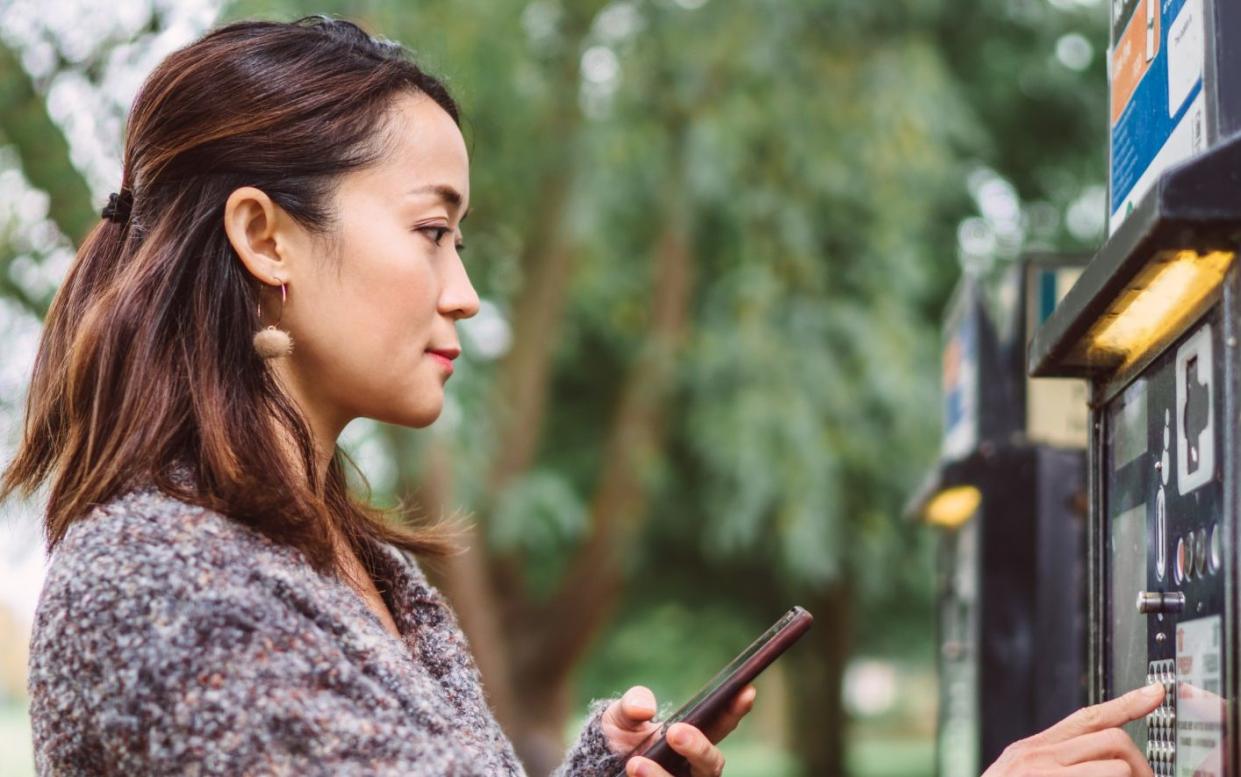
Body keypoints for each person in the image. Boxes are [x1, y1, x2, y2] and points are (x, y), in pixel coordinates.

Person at [0, 14, 1162, 777]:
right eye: (432, 232)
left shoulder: (355, 567)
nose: (462, 295)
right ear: (264, 235)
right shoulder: (158, 586)